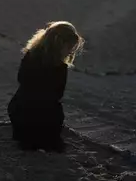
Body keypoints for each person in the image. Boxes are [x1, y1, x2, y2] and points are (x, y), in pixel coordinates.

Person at [8, 21, 84, 152]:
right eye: (69, 48)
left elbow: (21, 79)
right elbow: (57, 95)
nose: (70, 52)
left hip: (18, 110)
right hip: (38, 115)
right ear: (60, 45)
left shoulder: (30, 55)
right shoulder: (60, 67)